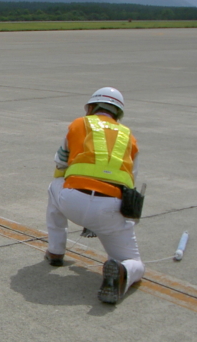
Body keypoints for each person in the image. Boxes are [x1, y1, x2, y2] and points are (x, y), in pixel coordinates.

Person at [44, 87, 144, 304]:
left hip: (73, 201)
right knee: (134, 261)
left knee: (54, 185)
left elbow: (60, 162)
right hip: (111, 209)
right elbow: (130, 183)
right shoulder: (130, 138)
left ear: (90, 107)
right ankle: (123, 271)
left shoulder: (78, 124)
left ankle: (55, 251)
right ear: (118, 113)